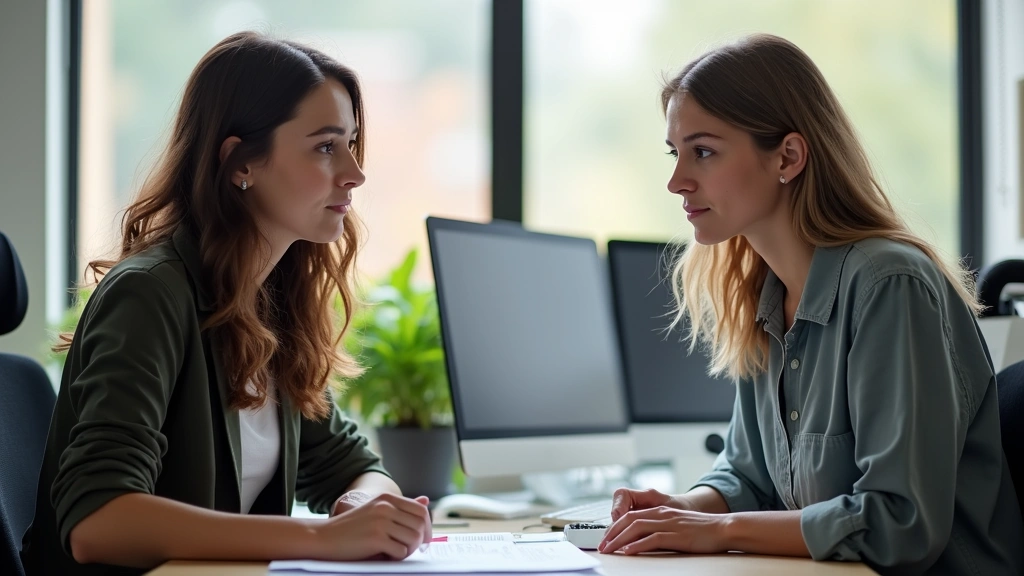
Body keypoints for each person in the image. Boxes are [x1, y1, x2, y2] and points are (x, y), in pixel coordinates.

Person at [598, 34, 1024, 575]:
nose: (677, 180)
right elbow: (747, 476)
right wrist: (681, 509)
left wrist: (717, 530)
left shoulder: (889, 285)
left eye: (703, 151)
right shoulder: (764, 293)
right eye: (675, 152)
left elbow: (899, 523)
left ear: (789, 156)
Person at [21, 32, 432, 576]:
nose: (354, 173)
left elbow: (352, 465)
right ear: (242, 163)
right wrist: (321, 536)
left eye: (352, 144)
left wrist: (363, 504)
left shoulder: (272, 301)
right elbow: (98, 520)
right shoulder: (150, 294)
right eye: (326, 146)